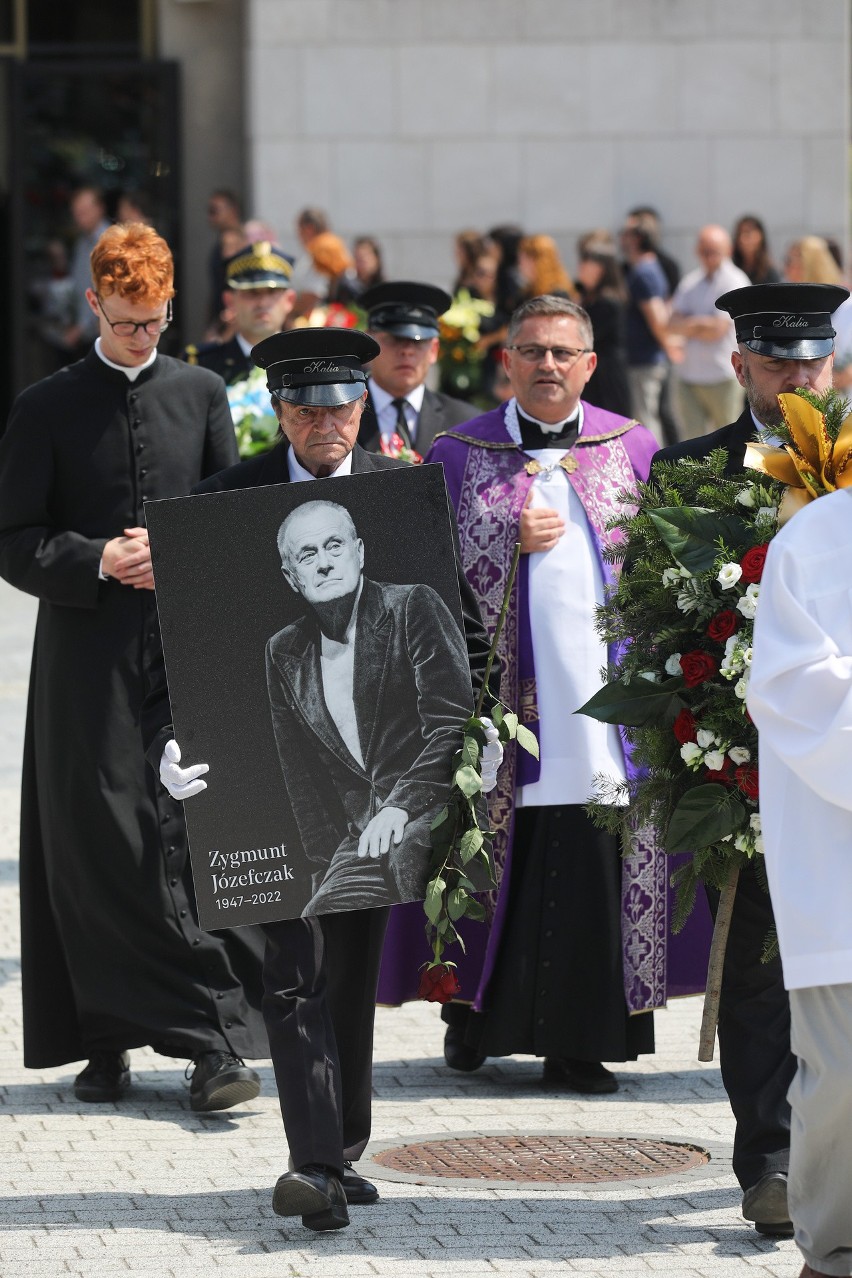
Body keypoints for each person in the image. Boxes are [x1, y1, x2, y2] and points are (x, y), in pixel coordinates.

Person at [142, 326, 497, 1231]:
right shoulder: (222, 504)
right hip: (276, 804)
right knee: (292, 975)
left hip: (391, 808)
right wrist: (169, 749)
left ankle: (341, 1146)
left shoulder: (404, 497)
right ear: (280, 411)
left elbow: (467, 634)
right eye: (304, 407)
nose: (324, 423)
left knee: (348, 976)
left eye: (340, 406)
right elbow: (174, 659)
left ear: (361, 404)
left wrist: (486, 734)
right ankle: (312, 1165)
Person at [0, 222, 267, 1111]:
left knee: (187, 838)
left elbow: (236, 519)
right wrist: (96, 560)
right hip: (85, 654)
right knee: (98, 843)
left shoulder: (201, 392)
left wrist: (180, 551)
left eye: (153, 323)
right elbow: (15, 542)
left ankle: (211, 1045)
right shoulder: (44, 406)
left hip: (188, 644)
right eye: (125, 324)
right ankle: (103, 1037)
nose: (141, 339)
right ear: (92, 307)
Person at [425, 294, 667, 1090]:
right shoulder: (457, 453)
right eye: (532, 351)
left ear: (591, 365)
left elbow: (664, 576)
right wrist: (503, 534)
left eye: (564, 352)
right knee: (488, 852)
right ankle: (471, 1023)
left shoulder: (632, 447)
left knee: (592, 853)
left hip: (604, 712)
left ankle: (583, 1039)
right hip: (498, 706)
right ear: (507, 362)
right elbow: (422, 575)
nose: (548, 365)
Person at [652, 280, 849, 1238]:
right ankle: (767, 1156)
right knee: (763, 959)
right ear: (739, 368)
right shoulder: (688, 473)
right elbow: (653, 628)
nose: (799, 379)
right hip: (740, 760)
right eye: (778, 364)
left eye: (813, 362)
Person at [267, 499, 475, 916]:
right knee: (321, 917)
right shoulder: (284, 651)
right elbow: (301, 778)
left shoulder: (412, 606)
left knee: (411, 867)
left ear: (359, 552)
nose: (324, 563)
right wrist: (324, 868)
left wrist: (400, 805)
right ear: (292, 578)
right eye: (308, 555)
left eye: (335, 546)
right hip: (361, 837)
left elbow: (453, 724)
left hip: (430, 808)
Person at [747, 491, 852, 1278]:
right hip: (838, 863)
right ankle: (831, 1249)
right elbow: (787, 686)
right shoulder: (816, 538)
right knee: (842, 1082)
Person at [356, 281, 479, 457]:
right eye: (394, 339)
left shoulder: (464, 424)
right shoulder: (337, 419)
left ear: (434, 350)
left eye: (418, 341)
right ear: (369, 345)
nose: (407, 351)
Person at [667, 225, 750, 439]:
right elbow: (671, 322)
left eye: (714, 251)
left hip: (722, 375)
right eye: (704, 251)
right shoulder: (691, 281)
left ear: (728, 250)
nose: (708, 257)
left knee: (729, 441)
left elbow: (717, 329)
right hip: (689, 375)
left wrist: (688, 325)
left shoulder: (735, 280)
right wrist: (701, 324)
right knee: (691, 443)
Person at [184, 241, 296, 384]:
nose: (262, 303)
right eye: (251, 293)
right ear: (229, 301)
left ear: (290, 300)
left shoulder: (310, 364)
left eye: (272, 292)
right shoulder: (201, 365)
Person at [620, 219, 677, 446]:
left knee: (646, 420)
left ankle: (655, 471)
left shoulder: (644, 272)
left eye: (625, 234)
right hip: (645, 360)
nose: (621, 239)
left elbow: (658, 319)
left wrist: (669, 347)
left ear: (637, 239)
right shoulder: (647, 268)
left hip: (646, 362)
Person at [574, 245, 632, 417]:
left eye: (586, 265)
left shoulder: (608, 301)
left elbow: (587, 335)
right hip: (597, 369)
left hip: (607, 373)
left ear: (601, 269)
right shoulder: (590, 297)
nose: (581, 269)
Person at [62, 186, 110, 357]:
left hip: (102, 332)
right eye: (76, 213)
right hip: (83, 332)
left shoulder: (110, 242)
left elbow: (107, 290)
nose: (79, 218)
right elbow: (78, 284)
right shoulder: (81, 242)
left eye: (84, 211)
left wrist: (82, 327)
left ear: (99, 209)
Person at [205, 187, 244, 330]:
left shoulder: (231, 240)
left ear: (232, 210)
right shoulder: (228, 238)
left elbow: (231, 283)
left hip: (227, 319)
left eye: (214, 211)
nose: (210, 217)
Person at [517, 234, 575, 301]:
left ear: (534, 261)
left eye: (521, 261)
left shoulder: (558, 296)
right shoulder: (527, 292)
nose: (520, 266)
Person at [732, 214, 781, 286]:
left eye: (747, 233)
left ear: (760, 236)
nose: (742, 239)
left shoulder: (770, 274)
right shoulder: (732, 268)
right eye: (739, 234)